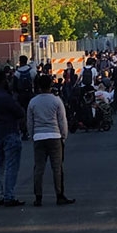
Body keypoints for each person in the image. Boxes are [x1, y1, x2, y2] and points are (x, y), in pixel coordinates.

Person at [26, 74, 75, 207]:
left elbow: (29, 122)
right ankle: (59, 195)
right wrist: (63, 136)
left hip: (39, 137)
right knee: (57, 167)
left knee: (39, 168)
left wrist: (32, 136)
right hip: (54, 135)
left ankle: (38, 197)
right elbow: (62, 120)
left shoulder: (33, 102)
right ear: (51, 85)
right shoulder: (56, 100)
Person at [0, 70, 26, 207]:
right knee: (12, 165)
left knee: (0, 165)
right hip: (10, 130)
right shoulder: (6, 97)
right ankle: (9, 196)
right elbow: (19, 112)